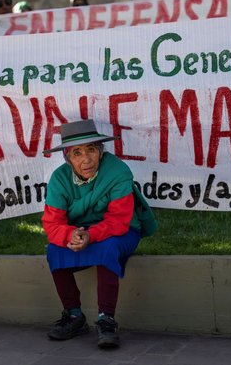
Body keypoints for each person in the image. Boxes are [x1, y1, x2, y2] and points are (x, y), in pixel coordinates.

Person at [41, 119, 156, 348]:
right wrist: (70, 235)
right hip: (79, 233)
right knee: (54, 251)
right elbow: (52, 224)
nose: (86, 159)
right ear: (67, 157)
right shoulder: (59, 179)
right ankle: (74, 316)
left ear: (101, 151)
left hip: (120, 230)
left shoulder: (117, 171)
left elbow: (119, 220)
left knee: (108, 248)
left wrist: (90, 236)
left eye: (92, 150)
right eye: (77, 153)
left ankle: (106, 320)